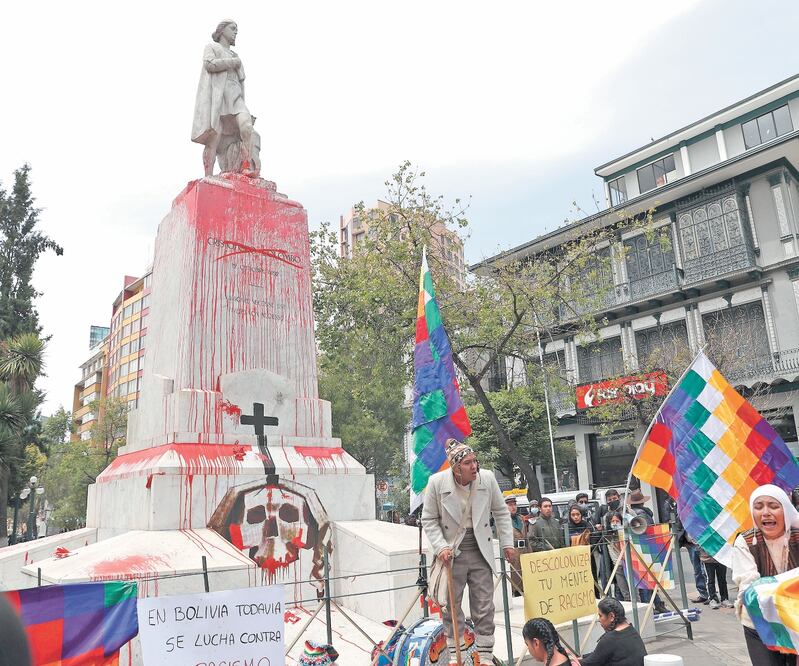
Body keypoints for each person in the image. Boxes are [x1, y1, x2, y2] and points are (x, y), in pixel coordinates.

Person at [422, 439, 514, 663]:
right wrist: (441, 546)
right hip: (451, 552)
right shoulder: (436, 483)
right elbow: (429, 519)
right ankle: (456, 653)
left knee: (484, 605)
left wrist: (507, 544)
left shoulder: (487, 478)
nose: (474, 466)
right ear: (455, 467)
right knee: (450, 606)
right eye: (467, 463)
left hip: (480, 546)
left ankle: (484, 655)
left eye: (475, 461)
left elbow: (501, 512)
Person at [732, 484, 799, 666]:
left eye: (773, 506)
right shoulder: (745, 541)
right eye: (759, 506)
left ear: (785, 508)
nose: (766, 512)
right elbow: (750, 586)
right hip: (759, 621)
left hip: (796, 620)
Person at [192, 20, 256, 177]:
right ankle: (208, 175)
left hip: (235, 97)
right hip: (218, 97)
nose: (236, 32)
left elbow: (241, 83)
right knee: (214, 138)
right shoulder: (212, 47)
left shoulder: (236, 56)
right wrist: (231, 63)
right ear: (222, 30)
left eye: (237, 30)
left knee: (246, 126)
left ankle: (247, 165)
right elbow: (209, 64)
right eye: (232, 29)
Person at [626, 489, 667, 614]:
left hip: (641, 548)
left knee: (643, 580)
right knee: (650, 579)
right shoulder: (646, 513)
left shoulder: (636, 515)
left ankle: (649, 606)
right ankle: (657, 604)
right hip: (651, 548)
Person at [580, 597, 647, 666]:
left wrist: (573, 661)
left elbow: (589, 663)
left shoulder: (610, 639)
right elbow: (599, 654)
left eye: (600, 616)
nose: (599, 620)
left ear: (611, 616)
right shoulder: (632, 631)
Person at [604, 511, 631, 601]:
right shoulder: (608, 536)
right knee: (625, 592)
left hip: (629, 564)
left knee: (634, 591)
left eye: (617, 521)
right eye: (613, 521)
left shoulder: (626, 533)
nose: (615, 523)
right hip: (618, 565)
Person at [506, 495, 529, 596]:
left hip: (524, 551)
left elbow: (526, 537)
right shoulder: (503, 520)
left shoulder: (520, 518)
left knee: (526, 580)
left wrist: (530, 553)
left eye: (514, 504)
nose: (513, 507)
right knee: (514, 580)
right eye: (510, 505)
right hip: (512, 553)